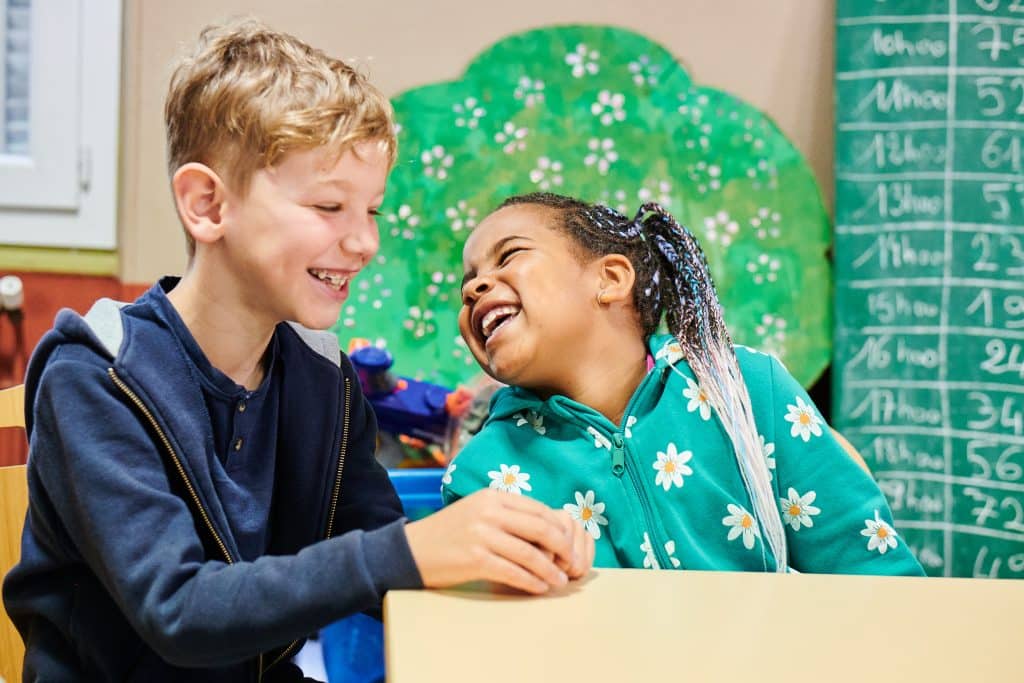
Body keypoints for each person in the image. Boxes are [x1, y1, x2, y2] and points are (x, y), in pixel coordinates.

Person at [2, 22, 591, 682]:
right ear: (207, 205)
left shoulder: (322, 380)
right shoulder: (97, 376)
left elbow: (377, 562)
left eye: (371, 210)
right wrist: (410, 552)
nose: (364, 242)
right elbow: (178, 609)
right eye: (330, 205)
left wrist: (499, 558)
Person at [442, 192, 925, 576]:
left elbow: (878, 582)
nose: (473, 288)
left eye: (509, 255)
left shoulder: (745, 392)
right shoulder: (482, 477)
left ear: (610, 278)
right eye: (468, 281)